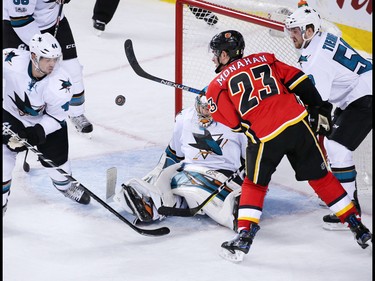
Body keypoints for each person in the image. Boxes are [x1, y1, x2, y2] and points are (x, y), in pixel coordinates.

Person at [204, 30, 372, 262]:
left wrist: (223, 107)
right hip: (297, 121)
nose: (214, 58)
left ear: (224, 55)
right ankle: (358, 227)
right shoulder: (265, 58)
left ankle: (244, 236)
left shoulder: (216, 86)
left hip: (265, 133)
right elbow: (299, 80)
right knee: (322, 179)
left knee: (254, 184)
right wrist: (319, 107)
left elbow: (234, 124)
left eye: (215, 54)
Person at [284, 4, 372, 230]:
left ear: (310, 31)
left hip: (364, 95)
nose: (291, 35)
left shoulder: (316, 59)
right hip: (357, 92)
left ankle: (349, 210)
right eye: (290, 30)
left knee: (336, 147)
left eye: (295, 30)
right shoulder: (324, 37)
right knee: (334, 144)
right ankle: (343, 201)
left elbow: (317, 99)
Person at [112, 94, 247, 231]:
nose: (204, 112)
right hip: (187, 174)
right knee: (170, 189)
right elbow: (173, 154)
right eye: (202, 108)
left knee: (223, 208)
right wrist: (156, 177)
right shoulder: (185, 118)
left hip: (222, 177)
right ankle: (151, 206)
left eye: (208, 109)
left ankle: (238, 209)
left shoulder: (238, 123)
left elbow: (249, 159)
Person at [2, 33, 91, 217]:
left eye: (55, 59)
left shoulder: (60, 83)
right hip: (10, 115)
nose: (53, 64)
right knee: (3, 163)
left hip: (45, 122)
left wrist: (36, 134)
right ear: (34, 56)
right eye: (47, 59)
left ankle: (65, 187)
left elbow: (57, 117)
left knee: (59, 165)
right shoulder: (11, 60)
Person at [3, 0, 94, 134]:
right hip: (19, 24)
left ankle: (76, 113)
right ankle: (15, 115)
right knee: (18, 71)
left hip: (53, 21)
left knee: (73, 69)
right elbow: (20, 18)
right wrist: (43, 47)